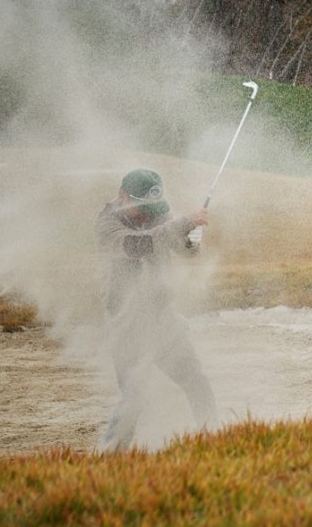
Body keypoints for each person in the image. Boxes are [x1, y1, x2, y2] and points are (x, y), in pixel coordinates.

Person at [95, 168, 217, 451]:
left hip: (163, 318)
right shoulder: (107, 223)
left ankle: (216, 442)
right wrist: (185, 222)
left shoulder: (156, 212)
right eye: (142, 209)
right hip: (127, 324)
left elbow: (177, 244)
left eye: (153, 209)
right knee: (134, 399)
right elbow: (140, 245)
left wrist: (191, 243)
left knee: (196, 381)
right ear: (123, 197)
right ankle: (110, 460)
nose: (148, 215)